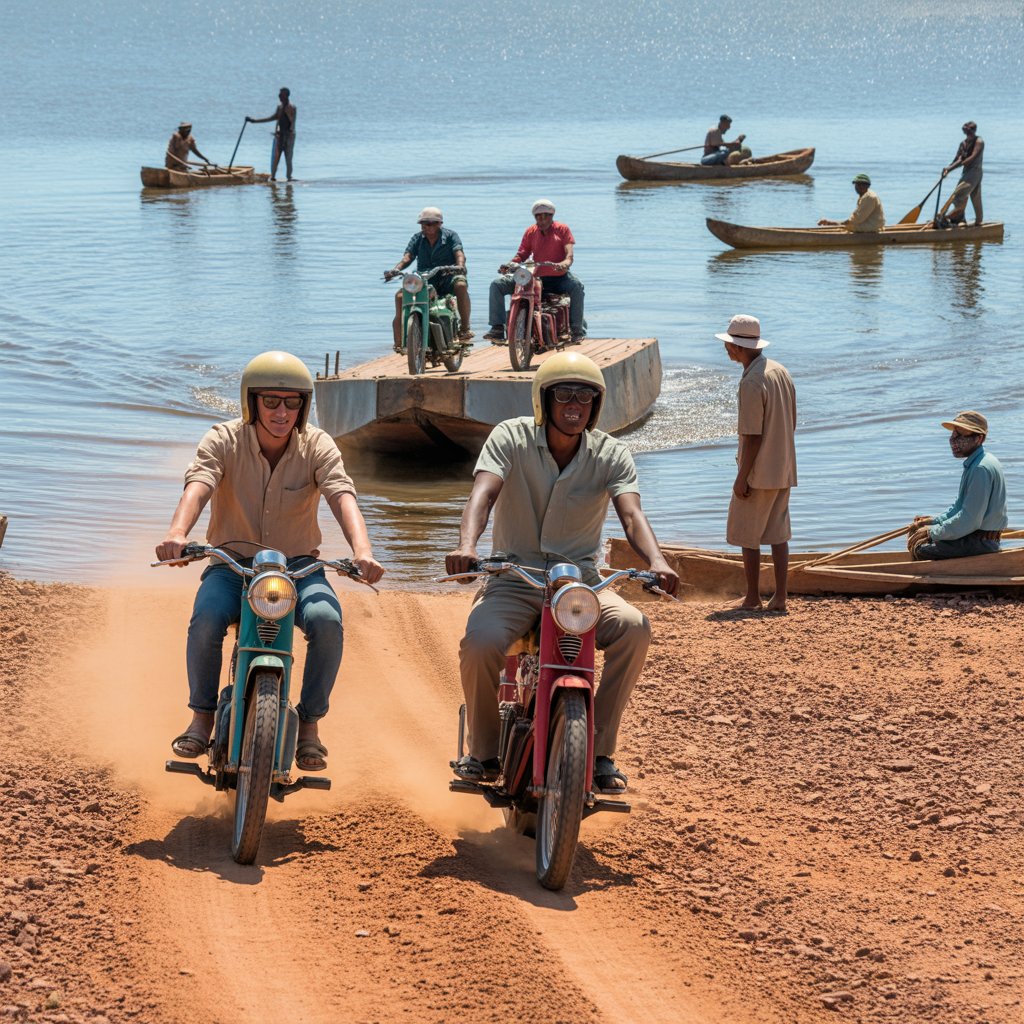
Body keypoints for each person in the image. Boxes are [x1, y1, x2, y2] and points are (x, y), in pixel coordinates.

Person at [444, 352, 679, 792]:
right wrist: (467, 547)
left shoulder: (611, 453)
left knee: (635, 629)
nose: (575, 404)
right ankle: (483, 752)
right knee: (480, 643)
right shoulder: (509, 438)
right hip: (516, 579)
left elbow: (631, 515)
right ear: (544, 401)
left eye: (586, 397)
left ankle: (602, 751)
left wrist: (657, 562)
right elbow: (483, 493)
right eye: (565, 394)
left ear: (597, 405)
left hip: (580, 585)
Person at [154, 351, 385, 771]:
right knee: (206, 620)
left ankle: (310, 725)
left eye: (292, 402)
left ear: (304, 406)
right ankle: (201, 717)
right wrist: (177, 534)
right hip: (232, 565)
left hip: (298, 567)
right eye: (271, 401)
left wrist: (363, 551)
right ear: (251, 401)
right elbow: (200, 483)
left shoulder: (317, 445)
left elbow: (341, 494)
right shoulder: (222, 439)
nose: (282, 412)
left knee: (327, 621)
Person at [718, 315, 797, 613]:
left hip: (759, 471)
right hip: (784, 467)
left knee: (746, 534)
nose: (726, 348)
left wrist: (742, 477)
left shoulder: (752, 381)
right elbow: (791, 421)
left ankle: (752, 598)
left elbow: (752, 436)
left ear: (737, 347)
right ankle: (780, 598)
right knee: (778, 534)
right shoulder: (780, 371)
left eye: (728, 343)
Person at [484, 199, 586, 345]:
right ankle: (498, 328)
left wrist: (564, 264)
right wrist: (511, 264)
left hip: (559, 278)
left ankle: (577, 330)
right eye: (539, 216)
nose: (542, 219)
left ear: (552, 215)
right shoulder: (530, 231)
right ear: (535, 217)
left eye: (546, 215)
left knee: (577, 286)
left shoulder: (562, 229)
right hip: (536, 279)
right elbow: (522, 254)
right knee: (497, 285)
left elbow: (569, 255)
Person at [908, 411, 1006, 560]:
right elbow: (959, 507)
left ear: (979, 438)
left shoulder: (980, 468)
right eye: (953, 435)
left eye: (960, 436)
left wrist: (932, 533)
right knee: (924, 537)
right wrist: (934, 522)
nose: (953, 440)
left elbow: (970, 520)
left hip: (980, 543)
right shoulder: (979, 462)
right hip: (980, 539)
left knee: (920, 548)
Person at [383, 207, 473, 349]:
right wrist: (396, 270)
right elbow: (408, 257)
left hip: (447, 275)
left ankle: (465, 329)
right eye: (424, 224)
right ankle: (399, 340)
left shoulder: (451, 236)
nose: (427, 227)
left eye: (431, 223)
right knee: (400, 296)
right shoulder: (417, 238)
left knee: (461, 285)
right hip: (425, 278)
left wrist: (460, 266)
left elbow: (459, 253)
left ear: (439, 224)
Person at [247, 87, 297, 181]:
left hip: (289, 137)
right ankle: (273, 177)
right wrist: (254, 121)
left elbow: (292, 123)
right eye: (279, 94)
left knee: (288, 158)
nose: (279, 96)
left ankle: (289, 177)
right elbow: (272, 118)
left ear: (286, 96)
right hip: (279, 136)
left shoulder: (292, 107)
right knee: (275, 158)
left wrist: (289, 132)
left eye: (281, 94)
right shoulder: (280, 107)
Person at [941, 121, 984, 226]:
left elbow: (972, 157)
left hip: (975, 172)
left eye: (969, 130)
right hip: (966, 172)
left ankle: (946, 216)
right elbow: (958, 159)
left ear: (973, 130)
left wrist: (961, 162)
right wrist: (948, 169)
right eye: (965, 130)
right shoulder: (963, 143)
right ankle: (961, 219)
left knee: (959, 196)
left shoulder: (979, 141)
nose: (967, 132)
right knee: (973, 196)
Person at [818, 174, 885, 231]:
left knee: (846, 226)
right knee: (845, 226)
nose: (860, 187)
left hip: (872, 226)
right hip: (869, 224)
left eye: (863, 184)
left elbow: (857, 219)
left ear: (868, 186)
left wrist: (834, 223)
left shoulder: (869, 197)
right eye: (858, 184)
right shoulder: (864, 196)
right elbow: (856, 218)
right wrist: (835, 223)